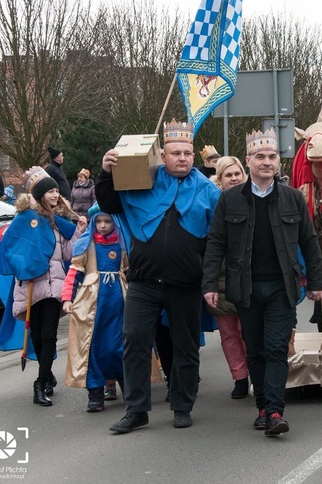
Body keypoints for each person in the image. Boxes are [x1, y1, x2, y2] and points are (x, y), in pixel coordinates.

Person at [96, 120, 221, 433]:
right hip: (144, 281)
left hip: (186, 283)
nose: (182, 158)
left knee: (186, 346)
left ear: (194, 156)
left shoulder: (208, 191)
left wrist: (211, 278)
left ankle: (182, 405)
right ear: (162, 156)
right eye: (175, 152)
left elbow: (219, 238)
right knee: (134, 340)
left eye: (188, 153)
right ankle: (136, 410)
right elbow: (109, 203)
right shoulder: (143, 181)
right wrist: (106, 172)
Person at [203, 128, 322, 437]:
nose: (267, 162)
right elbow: (215, 243)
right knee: (255, 350)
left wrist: (315, 281)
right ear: (248, 161)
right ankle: (261, 406)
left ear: (278, 163)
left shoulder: (292, 198)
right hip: (245, 289)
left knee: (275, 348)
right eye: (260, 157)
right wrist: (208, 285)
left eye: (272, 157)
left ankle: (274, 410)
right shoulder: (230, 200)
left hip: (281, 287)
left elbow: (309, 242)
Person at [0, 167, 86, 406]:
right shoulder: (25, 220)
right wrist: (28, 262)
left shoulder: (59, 223)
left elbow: (68, 253)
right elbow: (13, 248)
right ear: (40, 194)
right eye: (50, 191)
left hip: (54, 288)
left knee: (49, 335)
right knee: (39, 336)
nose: (55, 195)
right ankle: (47, 373)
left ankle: (40, 383)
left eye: (56, 191)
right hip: (31, 286)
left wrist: (79, 232)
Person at [62, 209, 128, 412]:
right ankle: (95, 392)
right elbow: (74, 272)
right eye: (98, 221)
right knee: (92, 347)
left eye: (107, 221)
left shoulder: (123, 243)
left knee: (119, 346)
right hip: (92, 305)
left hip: (119, 303)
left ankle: (128, 386)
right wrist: (67, 298)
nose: (102, 225)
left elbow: (131, 269)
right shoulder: (87, 244)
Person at [206, 156, 250, 399]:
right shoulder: (214, 205)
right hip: (223, 278)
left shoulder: (254, 200)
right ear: (220, 180)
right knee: (229, 334)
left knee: (250, 332)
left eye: (237, 174)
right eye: (228, 175)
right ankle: (240, 378)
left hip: (248, 278)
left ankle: (257, 374)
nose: (234, 178)